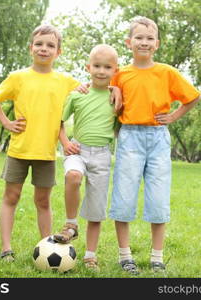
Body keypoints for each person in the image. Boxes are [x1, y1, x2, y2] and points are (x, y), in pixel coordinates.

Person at [109, 16, 201, 274]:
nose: (144, 42)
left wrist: (173, 116)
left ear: (157, 44)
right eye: (139, 38)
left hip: (158, 137)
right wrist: (111, 90)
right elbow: (101, 88)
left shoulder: (167, 72)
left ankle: (156, 257)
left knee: (158, 198)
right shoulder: (120, 74)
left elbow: (193, 97)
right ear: (129, 42)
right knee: (124, 196)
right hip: (129, 137)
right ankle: (125, 255)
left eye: (150, 38)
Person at [0, 25, 81, 262]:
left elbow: (90, 92)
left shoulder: (65, 81)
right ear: (31, 48)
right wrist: (7, 123)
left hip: (46, 152)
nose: (44, 49)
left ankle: (47, 248)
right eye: (39, 44)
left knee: (43, 201)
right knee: (11, 196)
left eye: (50, 45)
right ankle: (6, 248)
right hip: (19, 149)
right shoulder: (18, 78)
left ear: (58, 52)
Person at [53, 44, 120, 271]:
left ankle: (90, 255)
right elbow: (59, 123)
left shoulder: (116, 98)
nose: (101, 71)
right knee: (72, 176)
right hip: (78, 150)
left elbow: (121, 125)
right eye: (97, 66)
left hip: (102, 155)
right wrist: (65, 143)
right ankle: (71, 225)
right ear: (88, 67)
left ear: (115, 70)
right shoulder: (77, 95)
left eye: (107, 67)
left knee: (96, 208)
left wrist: (118, 90)